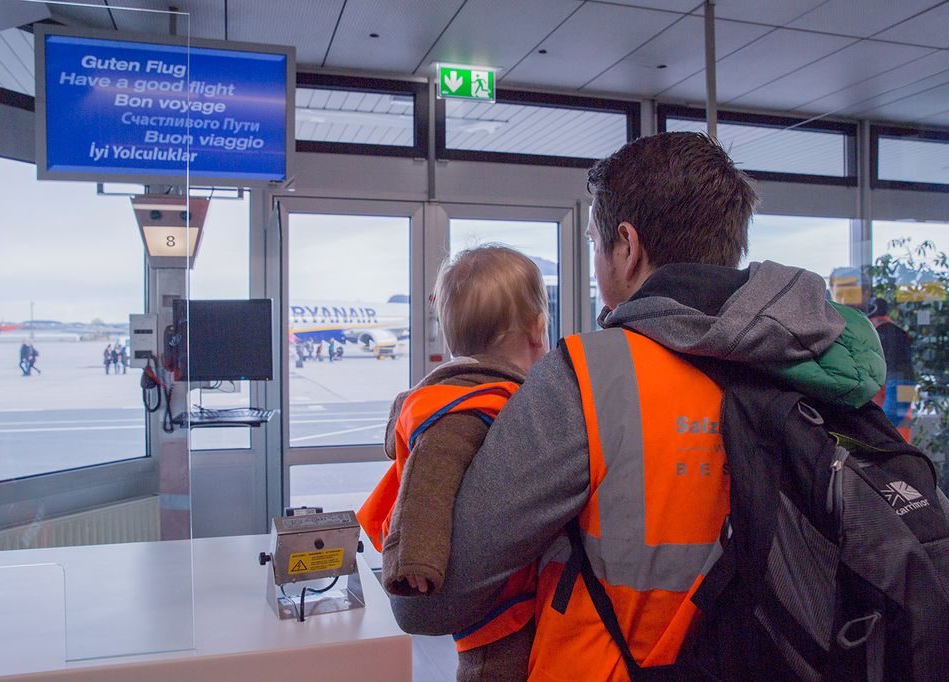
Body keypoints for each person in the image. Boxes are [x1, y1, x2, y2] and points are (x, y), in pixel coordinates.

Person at [388, 132, 885, 679]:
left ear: (627, 246)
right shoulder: (828, 363)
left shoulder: (589, 380)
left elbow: (428, 603)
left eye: (595, 246)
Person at [359, 246, 549, 681]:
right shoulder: (469, 406)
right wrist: (413, 562)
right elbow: (428, 480)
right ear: (538, 330)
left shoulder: (478, 393)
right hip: (493, 614)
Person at [868, 296, 916, 441]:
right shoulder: (899, 331)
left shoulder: (880, 333)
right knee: (899, 425)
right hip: (906, 384)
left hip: (895, 383)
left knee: (884, 429)